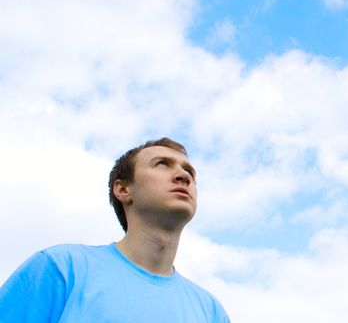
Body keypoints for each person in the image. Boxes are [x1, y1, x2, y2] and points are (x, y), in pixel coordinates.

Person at [0, 138, 230, 322]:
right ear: (122, 189)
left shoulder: (210, 311)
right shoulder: (62, 268)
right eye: (162, 164)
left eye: (189, 171)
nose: (185, 176)